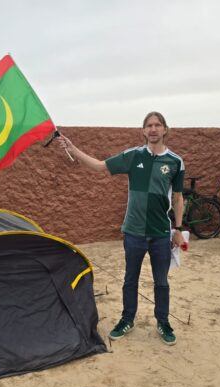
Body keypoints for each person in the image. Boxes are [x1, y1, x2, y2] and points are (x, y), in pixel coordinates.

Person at [57, 112, 185, 345]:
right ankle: (127, 319)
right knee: (130, 279)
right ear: (143, 131)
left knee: (162, 282)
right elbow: (98, 166)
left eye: (158, 125)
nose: (153, 129)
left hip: (160, 234)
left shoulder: (175, 162)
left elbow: (178, 198)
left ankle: (163, 322)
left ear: (165, 129)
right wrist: (73, 148)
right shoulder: (132, 156)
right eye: (149, 125)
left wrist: (178, 229)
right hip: (134, 232)